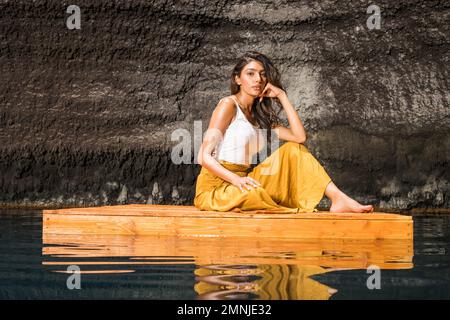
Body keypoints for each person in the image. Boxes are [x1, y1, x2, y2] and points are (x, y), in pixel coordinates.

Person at [194, 51, 373, 213]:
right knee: (253, 193)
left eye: (262, 74)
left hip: (244, 180)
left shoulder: (259, 116)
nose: (258, 79)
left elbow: (299, 137)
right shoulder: (228, 105)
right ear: (237, 79)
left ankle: (338, 198)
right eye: (250, 73)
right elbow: (203, 157)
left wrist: (282, 96)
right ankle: (246, 200)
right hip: (215, 188)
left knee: (294, 150)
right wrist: (236, 180)